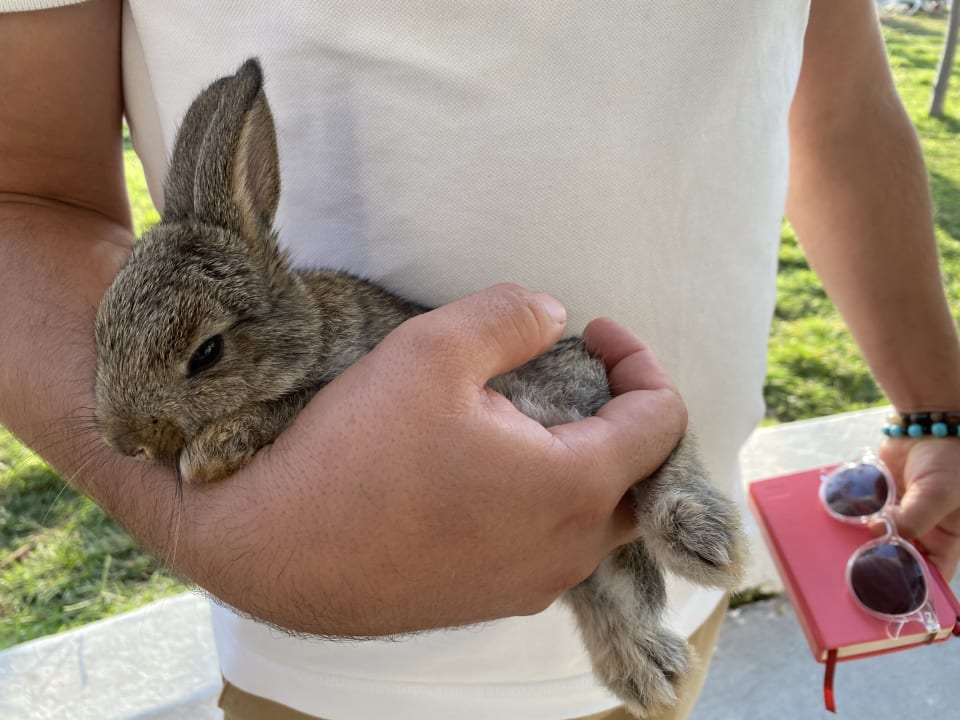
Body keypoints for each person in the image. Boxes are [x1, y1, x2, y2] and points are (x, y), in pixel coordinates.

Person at [1, 1, 958, 718]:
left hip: (674, 591)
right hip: (345, 683)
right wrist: (230, 534)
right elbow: (25, 193)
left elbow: (833, 107)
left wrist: (937, 410)